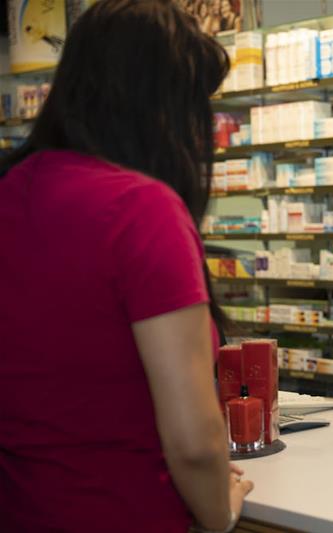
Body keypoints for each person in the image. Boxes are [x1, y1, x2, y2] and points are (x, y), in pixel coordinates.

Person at [0, 1, 252, 532]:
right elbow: (194, 443)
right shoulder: (140, 209)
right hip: (123, 511)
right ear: (163, 106)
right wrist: (220, 510)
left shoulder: (12, 189)